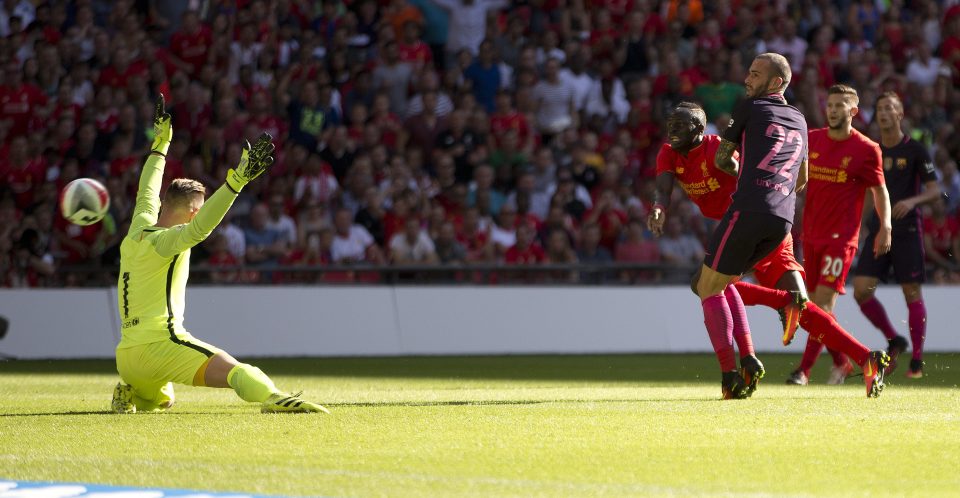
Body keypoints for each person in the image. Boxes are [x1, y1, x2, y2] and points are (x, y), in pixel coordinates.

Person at [649, 100, 889, 399]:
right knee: (802, 306)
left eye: (680, 124)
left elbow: (750, 175)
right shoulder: (669, 153)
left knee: (706, 284)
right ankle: (866, 357)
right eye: (670, 123)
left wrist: (734, 167)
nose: (672, 129)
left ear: (699, 129)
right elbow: (662, 187)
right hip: (751, 230)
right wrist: (659, 208)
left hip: (747, 226)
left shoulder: (716, 148)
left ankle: (765, 329)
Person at [111, 97, 328, 414]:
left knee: (162, 399)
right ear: (194, 210)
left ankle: (130, 390)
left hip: (126, 356)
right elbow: (199, 229)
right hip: (160, 346)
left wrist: (162, 142)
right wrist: (236, 182)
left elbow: (147, 187)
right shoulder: (168, 241)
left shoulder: (137, 228)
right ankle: (275, 397)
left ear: (165, 202)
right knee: (237, 372)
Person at [788, 84, 892, 386]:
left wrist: (885, 225)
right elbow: (800, 178)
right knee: (813, 311)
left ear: (853, 111)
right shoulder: (813, 139)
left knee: (821, 307)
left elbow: (879, 190)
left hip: (841, 239)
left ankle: (803, 371)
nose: (833, 110)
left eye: (839, 105)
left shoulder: (866, 149)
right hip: (811, 236)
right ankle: (841, 362)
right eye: (830, 105)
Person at [851, 92, 941, 378]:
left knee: (910, 292)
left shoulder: (915, 150)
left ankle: (916, 360)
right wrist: (861, 225)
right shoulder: (873, 150)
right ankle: (894, 339)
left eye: (890, 108)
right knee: (861, 290)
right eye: (879, 109)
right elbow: (868, 191)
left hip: (907, 230)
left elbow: (935, 190)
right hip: (878, 230)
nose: (884, 113)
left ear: (900, 114)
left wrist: (912, 202)